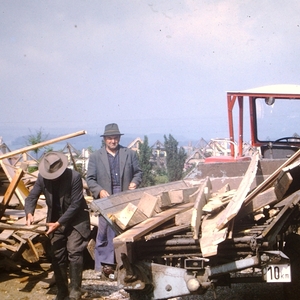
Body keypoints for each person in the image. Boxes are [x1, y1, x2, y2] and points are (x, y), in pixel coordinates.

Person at [25, 151, 91, 300]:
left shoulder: (74, 177)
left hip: (76, 220)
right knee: (57, 255)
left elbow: (75, 205)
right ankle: (62, 290)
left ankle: (75, 290)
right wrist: (29, 213)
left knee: (74, 252)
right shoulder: (42, 178)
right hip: (54, 220)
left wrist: (59, 223)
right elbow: (31, 197)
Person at [86, 123, 142, 278]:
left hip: (125, 195)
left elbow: (138, 173)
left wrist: (134, 183)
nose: (113, 141)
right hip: (106, 198)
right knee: (104, 230)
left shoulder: (128, 154)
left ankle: (125, 264)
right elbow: (90, 179)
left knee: (125, 229)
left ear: (119, 138)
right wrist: (99, 191)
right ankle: (104, 266)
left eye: (115, 138)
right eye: (110, 138)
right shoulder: (96, 157)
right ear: (105, 139)